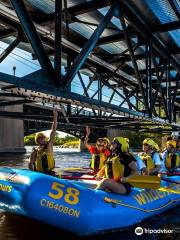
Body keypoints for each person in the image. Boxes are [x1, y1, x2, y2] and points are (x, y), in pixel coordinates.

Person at [28, 109, 58, 175]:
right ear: (37, 140)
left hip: (49, 174)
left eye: (43, 138)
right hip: (39, 175)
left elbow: (54, 129)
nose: (42, 139)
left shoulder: (49, 144)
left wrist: (55, 116)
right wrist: (32, 174)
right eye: (40, 138)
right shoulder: (35, 151)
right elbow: (30, 163)